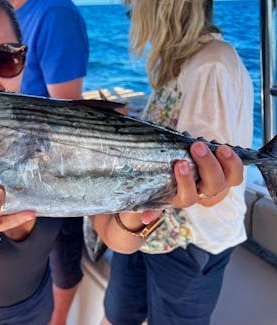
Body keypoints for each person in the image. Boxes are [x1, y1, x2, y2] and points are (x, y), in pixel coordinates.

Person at [0, 1, 245, 324]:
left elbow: (116, 238)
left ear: (23, 61)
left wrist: (143, 208)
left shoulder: (54, 144)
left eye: (5, 59)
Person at [102, 1, 254, 324]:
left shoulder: (211, 63)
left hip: (190, 243)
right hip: (148, 228)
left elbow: (209, 184)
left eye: (133, 6)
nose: (129, 11)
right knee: (117, 314)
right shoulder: (183, 63)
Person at [7, 1, 89, 323]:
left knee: (62, 261)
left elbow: (69, 111)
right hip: (3, 172)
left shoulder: (55, 13)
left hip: (51, 173)